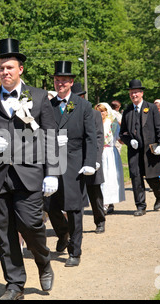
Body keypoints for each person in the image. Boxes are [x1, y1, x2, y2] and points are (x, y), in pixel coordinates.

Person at [0, 38, 59, 300]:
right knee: (4, 233)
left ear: (20, 69)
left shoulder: (39, 97)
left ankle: (43, 261)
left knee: (31, 224)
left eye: (9, 67)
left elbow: (51, 136)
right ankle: (15, 284)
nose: (4, 72)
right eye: (0, 68)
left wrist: (52, 171)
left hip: (30, 175)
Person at [44, 62, 97, 267]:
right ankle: (63, 232)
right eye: (57, 81)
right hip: (52, 162)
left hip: (75, 163)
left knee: (74, 208)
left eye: (64, 81)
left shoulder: (83, 105)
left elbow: (90, 137)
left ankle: (75, 251)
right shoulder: (48, 106)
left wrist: (90, 162)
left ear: (71, 82)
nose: (60, 84)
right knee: (50, 205)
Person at [119, 79, 160, 216]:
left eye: (136, 93)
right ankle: (140, 206)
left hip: (149, 149)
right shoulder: (127, 111)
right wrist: (129, 141)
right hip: (134, 151)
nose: (134, 95)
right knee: (136, 177)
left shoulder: (151, 108)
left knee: (151, 177)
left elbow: (159, 129)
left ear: (141, 93)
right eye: (131, 93)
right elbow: (123, 133)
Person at [71, 84, 107, 233]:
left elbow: (99, 138)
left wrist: (96, 159)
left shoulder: (94, 114)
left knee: (94, 191)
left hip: (91, 157)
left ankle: (100, 220)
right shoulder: (68, 113)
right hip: (74, 158)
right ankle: (72, 226)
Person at [94, 102, 125, 213]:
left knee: (109, 178)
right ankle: (103, 202)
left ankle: (107, 203)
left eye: (102, 111)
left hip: (109, 152)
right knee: (100, 179)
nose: (100, 114)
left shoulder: (113, 123)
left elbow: (118, 137)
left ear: (107, 112)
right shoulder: (93, 123)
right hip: (98, 153)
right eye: (98, 112)